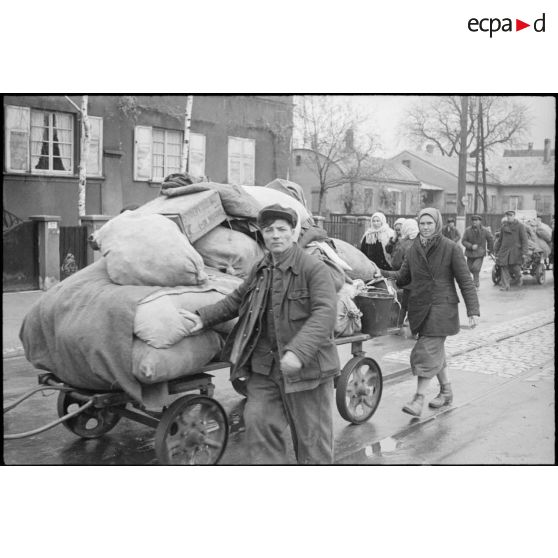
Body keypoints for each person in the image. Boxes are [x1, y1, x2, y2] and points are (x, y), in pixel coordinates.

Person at [181, 204, 339, 464]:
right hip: (265, 370)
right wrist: (203, 318)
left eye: (281, 229)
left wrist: (298, 352)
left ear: (293, 233)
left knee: (313, 444)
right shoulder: (261, 268)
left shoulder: (313, 269)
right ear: (262, 235)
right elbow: (236, 300)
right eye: (269, 230)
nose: (275, 235)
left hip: (307, 371)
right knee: (259, 428)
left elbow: (325, 314)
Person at [381, 208, 479, 417]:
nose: (425, 228)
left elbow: (465, 281)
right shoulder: (414, 249)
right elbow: (403, 277)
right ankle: (446, 391)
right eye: (422, 224)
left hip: (442, 307)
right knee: (435, 352)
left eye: (429, 224)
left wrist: (473, 310)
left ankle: (418, 398)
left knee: (425, 352)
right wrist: (379, 273)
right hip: (420, 307)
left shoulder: (450, 248)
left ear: (437, 224)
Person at [388, 218, 419, 328]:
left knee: (403, 304)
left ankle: (398, 324)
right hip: (420, 281)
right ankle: (414, 327)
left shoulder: (404, 244)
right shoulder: (423, 242)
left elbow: (395, 263)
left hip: (405, 279)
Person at [494, 209, 529, 291]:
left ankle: (519, 277)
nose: (509, 217)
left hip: (515, 251)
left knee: (516, 268)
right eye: (507, 216)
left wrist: (524, 252)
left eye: (510, 216)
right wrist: (496, 250)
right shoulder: (503, 227)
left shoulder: (520, 226)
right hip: (504, 250)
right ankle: (505, 285)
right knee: (503, 267)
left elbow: (524, 240)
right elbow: (500, 239)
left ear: (514, 216)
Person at [461, 215, 494, 289]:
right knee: (469, 268)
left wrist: (490, 249)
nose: (474, 222)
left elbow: (490, 239)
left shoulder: (485, 230)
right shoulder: (468, 230)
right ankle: (476, 280)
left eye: (476, 220)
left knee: (475, 268)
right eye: (473, 220)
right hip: (470, 253)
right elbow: (463, 241)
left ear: (480, 221)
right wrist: (471, 246)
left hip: (480, 253)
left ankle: (476, 283)